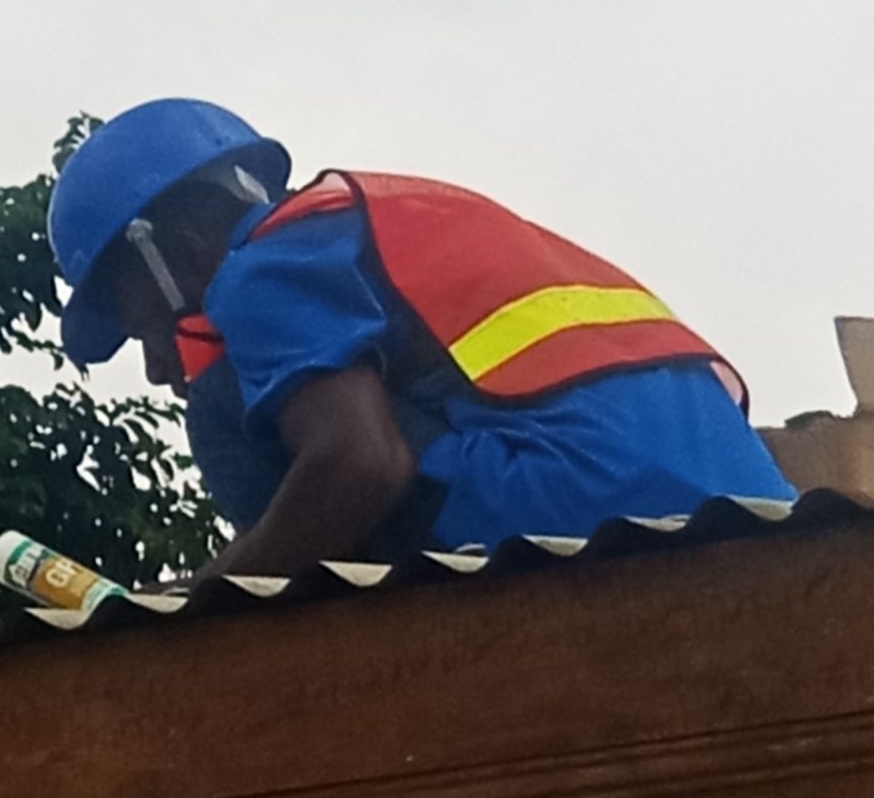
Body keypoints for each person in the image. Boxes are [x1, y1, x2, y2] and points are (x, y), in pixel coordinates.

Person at [47, 98, 795, 584]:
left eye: (147, 325)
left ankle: (293, 639)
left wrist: (211, 598)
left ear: (173, 252)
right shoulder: (389, 218)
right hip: (752, 504)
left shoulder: (262, 268)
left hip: (575, 499)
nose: (158, 366)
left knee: (222, 398)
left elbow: (361, 464)